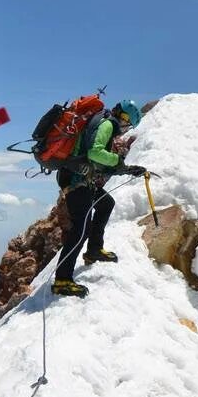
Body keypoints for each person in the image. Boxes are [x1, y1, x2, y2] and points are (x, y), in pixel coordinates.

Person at [51, 100, 146, 298]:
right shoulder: (108, 124)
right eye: (127, 122)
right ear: (123, 117)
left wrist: (127, 170)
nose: (126, 127)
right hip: (78, 181)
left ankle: (94, 249)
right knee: (81, 228)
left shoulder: (102, 123)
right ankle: (62, 279)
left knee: (106, 204)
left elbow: (99, 161)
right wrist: (118, 161)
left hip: (81, 179)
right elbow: (95, 153)